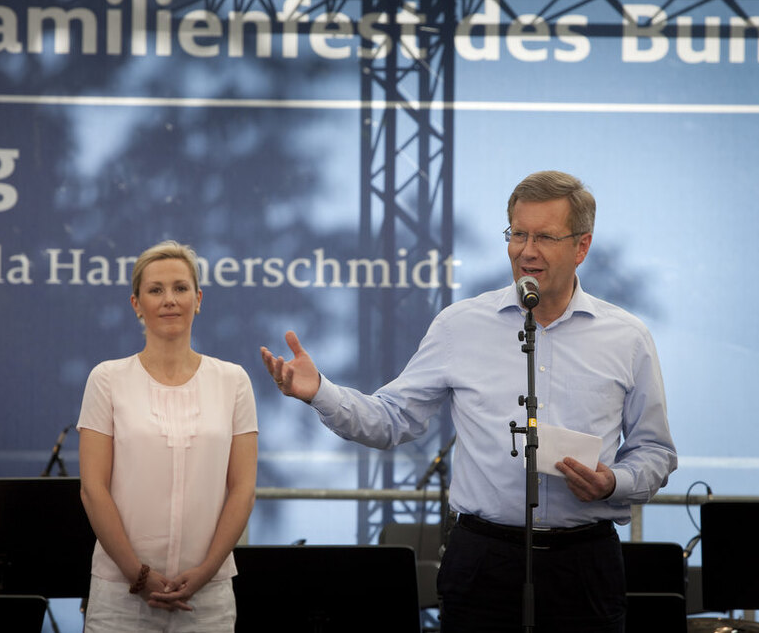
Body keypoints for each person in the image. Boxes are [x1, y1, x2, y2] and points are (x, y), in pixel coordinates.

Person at [260, 170, 676, 633]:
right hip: (483, 563)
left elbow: (656, 451)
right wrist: (320, 390)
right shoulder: (461, 326)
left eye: (544, 237)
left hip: (583, 565)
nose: (526, 250)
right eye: (517, 234)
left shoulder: (627, 337)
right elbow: (391, 419)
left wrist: (614, 482)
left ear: (582, 247)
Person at [78, 240, 258, 632]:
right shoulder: (107, 379)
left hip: (208, 599)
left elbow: (242, 489)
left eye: (180, 288)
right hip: (119, 597)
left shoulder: (234, 381)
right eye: (155, 290)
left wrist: (206, 572)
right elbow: (93, 488)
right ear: (136, 304)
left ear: (198, 299)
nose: (169, 300)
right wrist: (138, 576)